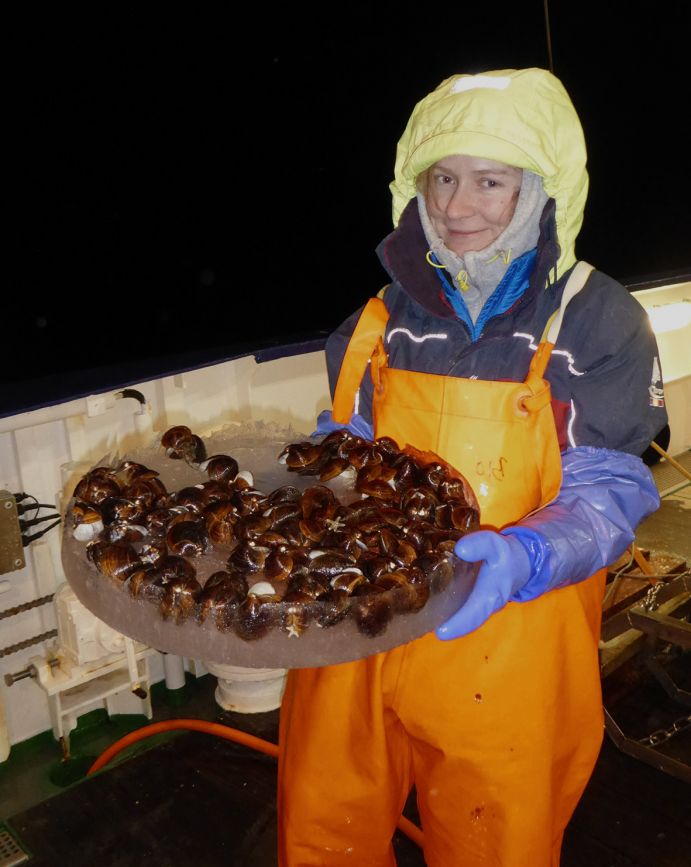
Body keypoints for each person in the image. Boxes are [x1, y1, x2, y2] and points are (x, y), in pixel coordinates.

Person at [277, 68, 667, 866]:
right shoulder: (375, 322)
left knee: (496, 843)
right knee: (323, 828)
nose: (456, 208)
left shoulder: (595, 320)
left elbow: (612, 484)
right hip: (361, 631)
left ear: (543, 189)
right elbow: (338, 462)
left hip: (508, 643)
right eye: (442, 179)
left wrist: (528, 551)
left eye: (489, 181)